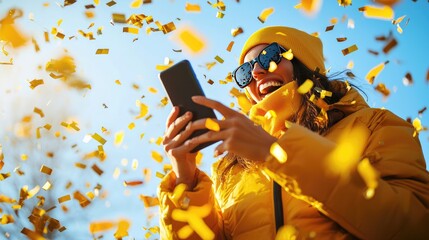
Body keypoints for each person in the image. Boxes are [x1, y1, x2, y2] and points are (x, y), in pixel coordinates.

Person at [157, 26, 429, 239]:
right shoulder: (231, 168)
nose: (259, 71)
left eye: (270, 56)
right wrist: (185, 182)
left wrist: (279, 155)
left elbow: (414, 226)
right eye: (245, 72)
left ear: (304, 63)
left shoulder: (372, 124)